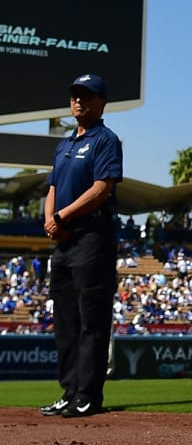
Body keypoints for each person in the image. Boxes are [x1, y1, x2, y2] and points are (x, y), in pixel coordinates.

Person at [40, 73, 124, 418]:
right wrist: (51, 222)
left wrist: (61, 219)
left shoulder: (106, 140)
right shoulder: (64, 144)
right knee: (66, 321)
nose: (79, 101)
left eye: (87, 96)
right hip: (64, 241)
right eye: (75, 96)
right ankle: (69, 390)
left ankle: (88, 394)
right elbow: (53, 188)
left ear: (101, 102)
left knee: (92, 318)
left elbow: (102, 188)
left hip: (93, 236)